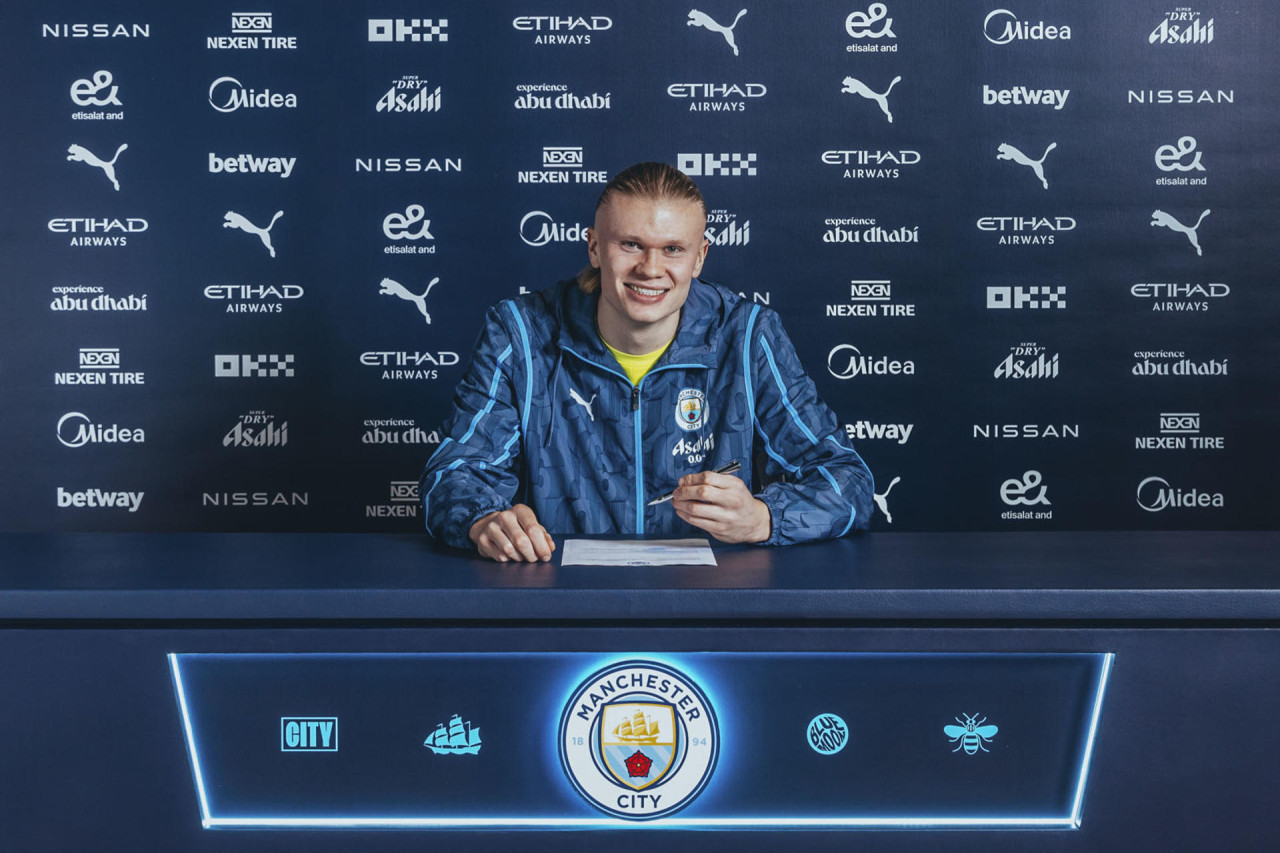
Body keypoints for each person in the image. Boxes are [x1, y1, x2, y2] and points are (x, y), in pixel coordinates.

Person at [420, 162, 873, 561]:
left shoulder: (748, 335)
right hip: (561, 605)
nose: (651, 269)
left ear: (700, 257)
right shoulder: (520, 333)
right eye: (631, 245)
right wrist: (483, 520)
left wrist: (763, 518)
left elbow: (847, 481)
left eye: (673, 249)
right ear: (595, 248)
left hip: (710, 610)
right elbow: (454, 473)